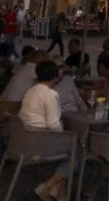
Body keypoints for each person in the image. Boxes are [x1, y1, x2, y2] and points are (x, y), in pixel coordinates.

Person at [18, 60, 71, 200]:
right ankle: (48, 187)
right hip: (39, 144)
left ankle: (57, 191)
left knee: (70, 147)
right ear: (55, 77)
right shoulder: (50, 94)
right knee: (76, 152)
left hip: (21, 140)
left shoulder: (30, 90)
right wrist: (65, 135)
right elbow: (54, 125)